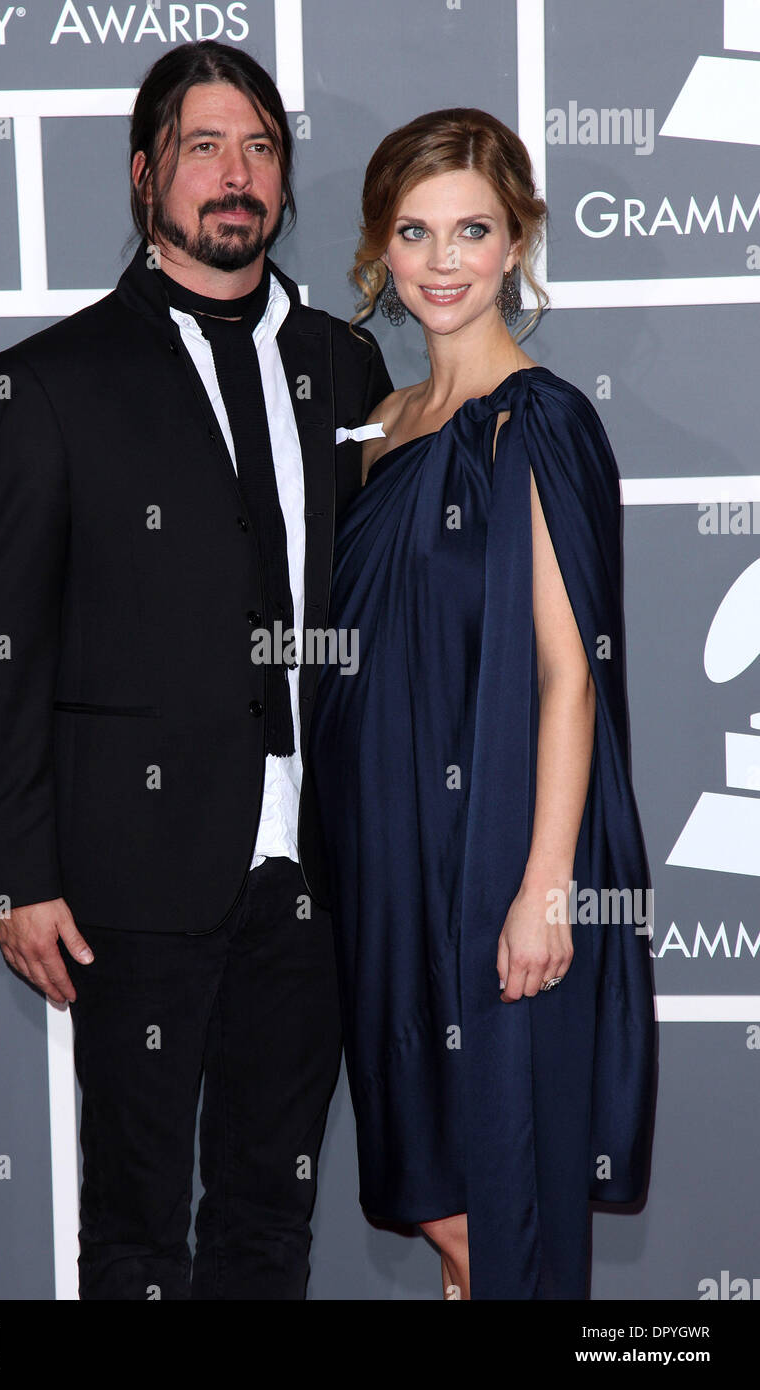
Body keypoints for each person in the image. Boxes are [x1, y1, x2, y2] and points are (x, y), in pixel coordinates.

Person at [0, 40, 392, 1300]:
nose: (235, 174)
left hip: (312, 869)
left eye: (259, 147)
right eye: (204, 147)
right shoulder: (51, 382)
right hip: (132, 874)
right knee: (139, 1230)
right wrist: (18, 876)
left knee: (269, 1216)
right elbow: (6, 646)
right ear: (145, 174)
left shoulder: (343, 367)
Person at [307, 107, 656, 1301]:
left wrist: (543, 886)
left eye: (471, 230)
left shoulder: (540, 421)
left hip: (488, 863)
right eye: (414, 232)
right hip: (378, 869)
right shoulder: (371, 433)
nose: (442, 261)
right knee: (434, 1204)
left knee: (497, 1211)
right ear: (379, 253)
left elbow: (570, 673)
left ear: (515, 243)